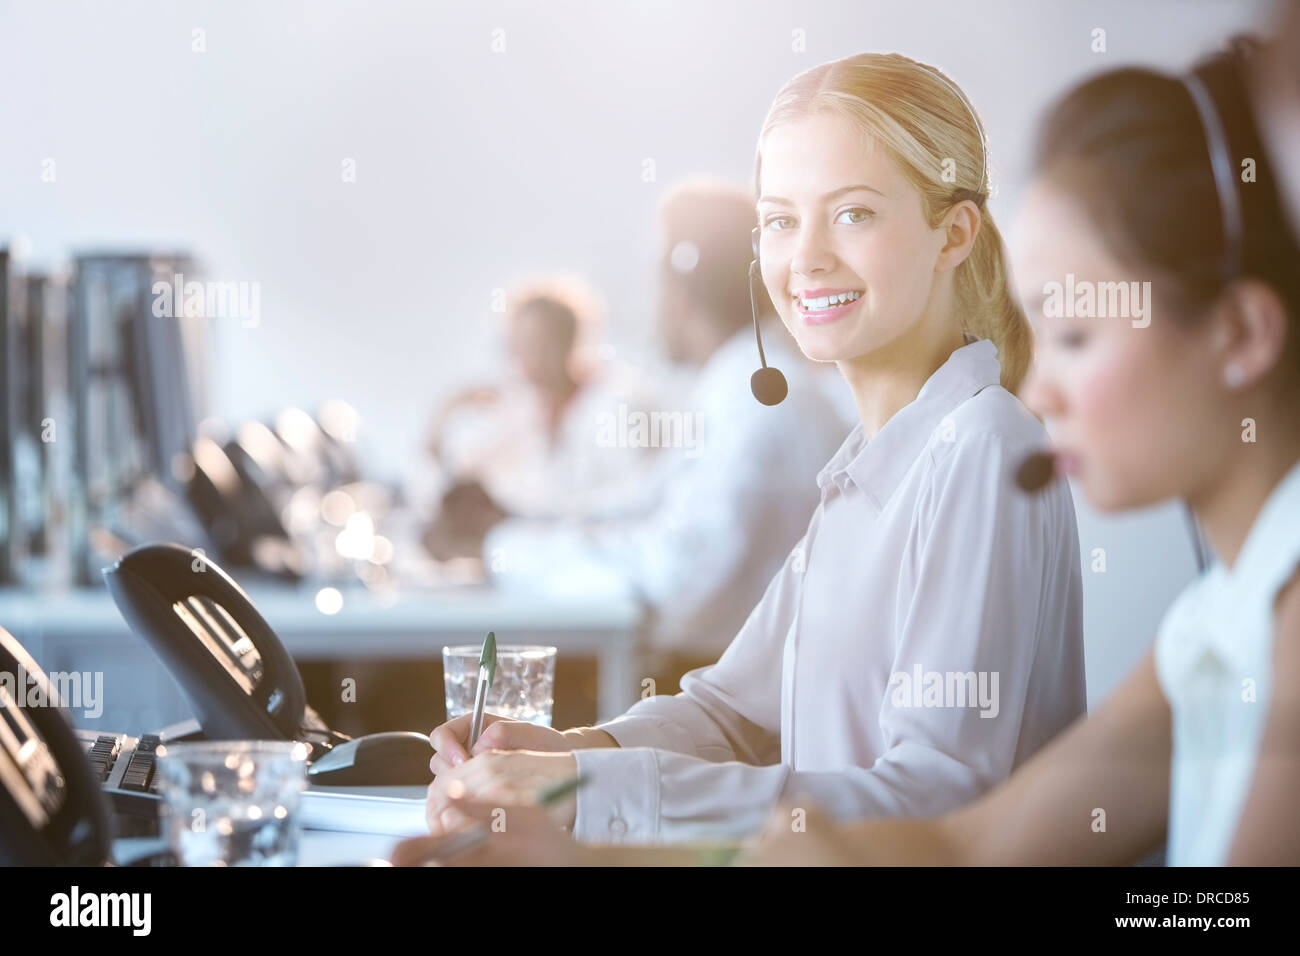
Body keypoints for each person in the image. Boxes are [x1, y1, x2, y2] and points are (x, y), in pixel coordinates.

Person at [400, 52, 1087, 853]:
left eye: (854, 213)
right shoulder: (870, 460)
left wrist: (584, 794)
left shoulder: (982, 447)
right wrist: (565, 753)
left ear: (954, 233)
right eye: (781, 220)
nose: (808, 257)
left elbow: (935, 791)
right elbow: (732, 713)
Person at [737, 39, 1300, 866]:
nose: (1041, 394)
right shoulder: (1212, 624)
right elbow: (970, 847)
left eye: (1074, 334)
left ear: (1241, 334)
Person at [467, 180, 847, 667]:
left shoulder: (757, 401)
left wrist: (503, 550)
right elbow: (648, 502)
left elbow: (673, 577)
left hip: (734, 693)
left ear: (682, 294)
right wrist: (519, 520)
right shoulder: (745, 382)